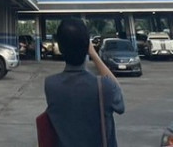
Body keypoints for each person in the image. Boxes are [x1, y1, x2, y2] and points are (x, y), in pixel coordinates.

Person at [43, 18, 125, 147]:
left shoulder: (51, 85)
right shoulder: (104, 86)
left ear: (61, 48)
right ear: (87, 45)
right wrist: (94, 55)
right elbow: (120, 104)